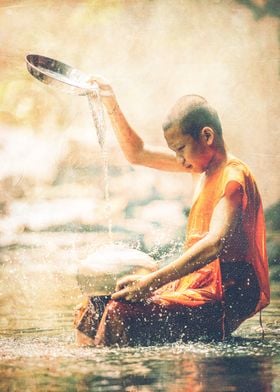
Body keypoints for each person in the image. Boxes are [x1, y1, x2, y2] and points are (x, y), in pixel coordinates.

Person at [74, 78, 270, 346]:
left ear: (207, 136)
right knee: (96, 303)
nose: (179, 160)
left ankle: (121, 381)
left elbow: (215, 244)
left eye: (180, 149)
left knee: (118, 311)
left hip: (221, 296)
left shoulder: (232, 177)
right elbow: (138, 153)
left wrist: (151, 283)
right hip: (195, 284)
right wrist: (111, 103)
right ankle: (88, 376)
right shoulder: (200, 166)